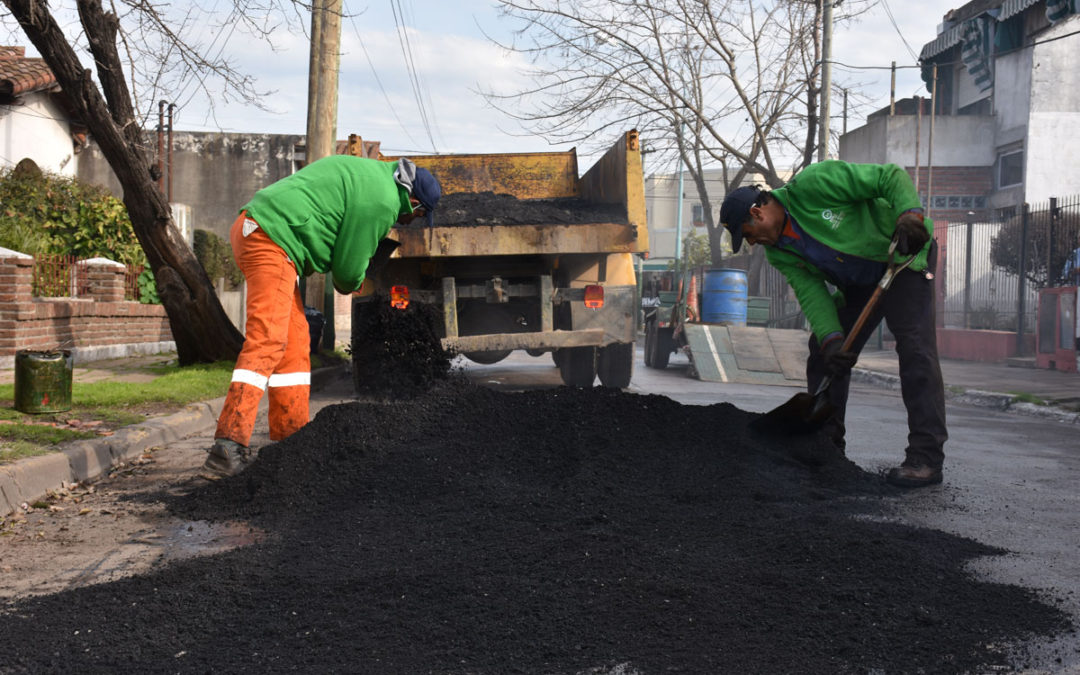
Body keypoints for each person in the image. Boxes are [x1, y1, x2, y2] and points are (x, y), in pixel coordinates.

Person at [201, 155, 442, 479]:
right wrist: (362, 279)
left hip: (266, 234)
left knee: (296, 342)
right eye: (419, 214)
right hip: (270, 238)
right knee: (268, 339)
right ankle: (227, 446)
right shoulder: (383, 201)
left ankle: (291, 440)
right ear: (412, 200)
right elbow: (345, 275)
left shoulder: (374, 175)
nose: (411, 221)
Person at [720, 161, 946, 488]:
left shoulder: (813, 184)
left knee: (915, 350)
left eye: (748, 236)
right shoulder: (779, 253)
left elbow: (888, 176)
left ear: (757, 214)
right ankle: (827, 448)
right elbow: (812, 293)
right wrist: (832, 340)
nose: (752, 244)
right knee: (824, 354)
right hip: (860, 284)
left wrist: (909, 215)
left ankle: (926, 458)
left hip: (904, 257)